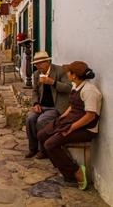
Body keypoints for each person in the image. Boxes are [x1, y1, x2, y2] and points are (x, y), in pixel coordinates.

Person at [37, 61, 101, 190]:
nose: (67, 74)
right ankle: (63, 164)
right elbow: (72, 106)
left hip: (85, 128)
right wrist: (61, 118)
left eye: (69, 72)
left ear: (74, 75)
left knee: (50, 144)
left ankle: (74, 173)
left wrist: (71, 128)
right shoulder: (76, 86)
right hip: (71, 121)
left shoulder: (89, 91)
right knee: (42, 134)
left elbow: (90, 116)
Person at [25, 51, 72, 159]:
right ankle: (33, 148)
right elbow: (35, 91)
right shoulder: (37, 74)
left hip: (55, 106)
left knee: (42, 120)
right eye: (36, 64)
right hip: (42, 106)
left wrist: (52, 82)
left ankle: (43, 150)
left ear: (48, 62)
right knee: (30, 119)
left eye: (40, 63)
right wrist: (36, 103)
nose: (38, 65)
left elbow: (68, 88)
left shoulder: (60, 71)